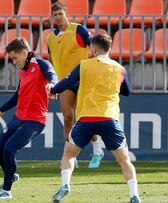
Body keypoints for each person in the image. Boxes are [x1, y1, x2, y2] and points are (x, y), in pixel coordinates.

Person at [49, 34, 140, 203]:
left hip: (87, 118)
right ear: (109, 48)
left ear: (94, 49)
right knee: (125, 160)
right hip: (109, 118)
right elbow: (127, 90)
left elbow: (66, 83)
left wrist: (53, 90)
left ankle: (65, 185)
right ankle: (134, 195)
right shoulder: (119, 68)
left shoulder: (84, 65)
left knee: (68, 154)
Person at [0, 38, 58, 199]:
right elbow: (18, 96)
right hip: (19, 117)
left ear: (24, 53)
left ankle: (6, 191)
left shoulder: (41, 64)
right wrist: (1, 109)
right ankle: (11, 174)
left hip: (35, 120)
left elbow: (53, 77)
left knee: (9, 149)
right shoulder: (23, 69)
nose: (13, 62)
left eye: (14, 57)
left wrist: (52, 86)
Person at [46, 2, 104, 168]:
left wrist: (94, 67)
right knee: (68, 118)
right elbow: (51, 61)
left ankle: (97, 149)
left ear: (66, 13)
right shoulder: (50, 38)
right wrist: (54, 83)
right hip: (65, 82)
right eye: (54, 15)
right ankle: (70, 157)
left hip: (83, 79)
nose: (57, 17)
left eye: (60, 14)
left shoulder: (79, 30)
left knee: (86, 117)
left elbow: (94, 47)